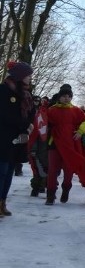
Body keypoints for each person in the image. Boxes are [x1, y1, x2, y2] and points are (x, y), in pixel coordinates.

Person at [45, 84, 85, 205]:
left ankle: (66, 189)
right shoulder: (51, 110)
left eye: (69, 96)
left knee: (68, 170)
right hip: (54, 143)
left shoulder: (75, 110)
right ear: (59, 97)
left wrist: (81, 132)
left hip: (70, 144)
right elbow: (43, 123)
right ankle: (50, 195)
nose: (66, 98)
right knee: (52, 170)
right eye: (64, 96)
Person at [0, 61, 35, 217]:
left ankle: (2, 202)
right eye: (27, 75)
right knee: (2, 170)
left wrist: (28, 125)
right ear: (20, 76)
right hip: (3, 136)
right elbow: (6, 115)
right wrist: (24, 124)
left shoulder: (26, 94)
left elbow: (31, 113)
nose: (29, 79)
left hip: (17, 138)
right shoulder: (4, 90)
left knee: (8, 172)